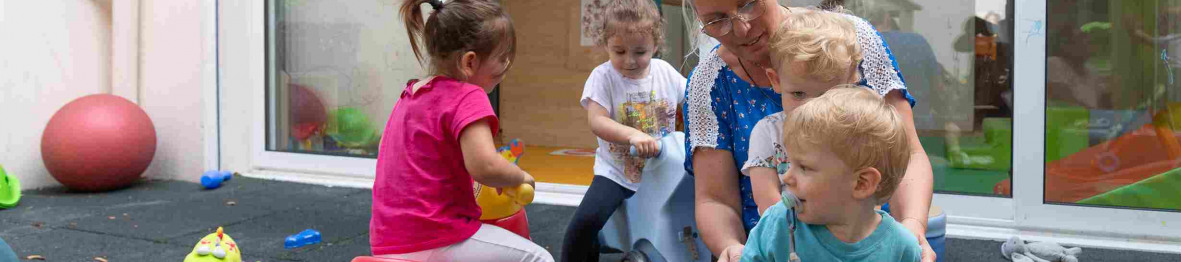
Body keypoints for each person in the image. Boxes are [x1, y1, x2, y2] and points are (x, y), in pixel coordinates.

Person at [682, 0, 934, 261]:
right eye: (716, 20)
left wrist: (912, 224)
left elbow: (907, 153)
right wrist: (731, 246)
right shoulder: (710, 85)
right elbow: (715, 199)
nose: (742, 28)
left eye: (748, 4)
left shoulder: (849, 41)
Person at [370, 0, 552, 260]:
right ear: (469, 62)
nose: (505, 67)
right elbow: (485, 166)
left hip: (388, 240)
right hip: (438, 237)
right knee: (538, 258)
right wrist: (518, 177)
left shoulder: (409, 96)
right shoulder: (467, 96)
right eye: (502, 59)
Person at [562, 0, 687, 260]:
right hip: (617, 172)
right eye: (619, 51)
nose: (629, 60)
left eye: (640, 52)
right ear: (607, 43)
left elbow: (693, 100)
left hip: (664, 170)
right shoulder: (603, 77)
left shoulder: (665, 72)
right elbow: (597, 121)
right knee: (584, 224)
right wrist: (632, 135)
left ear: (655, 45)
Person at [742, 86, 921, 262]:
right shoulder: (778, 223)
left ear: (862, 183)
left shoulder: (901, 249)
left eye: (804, 167)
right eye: (791, 163)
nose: (787, 177)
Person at [742, 7, 862, 216]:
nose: (811, 108)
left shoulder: (857, 129)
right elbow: (768, 203)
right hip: (788, 238)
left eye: (827, 95)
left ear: (852, 80)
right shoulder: (769, 133)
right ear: (775, 81)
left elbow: (868, 197)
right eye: (798, 94)